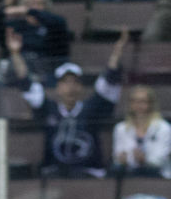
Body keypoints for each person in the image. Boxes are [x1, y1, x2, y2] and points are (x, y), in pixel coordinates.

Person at [9, 33, 126, 178]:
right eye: (65, 82)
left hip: (89, 174)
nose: (70, 87)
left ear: (81, 87)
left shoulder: (92, 109)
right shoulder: (48, 109)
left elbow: (110, 80)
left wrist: (116, 55)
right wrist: (15, 53)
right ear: (58, 87)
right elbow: (26, 83)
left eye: (75, 82)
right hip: (54, 175)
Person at [0, 0, 72, 80]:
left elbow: (60, 24)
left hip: (47, 75)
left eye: (39, 3)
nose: (34, 7)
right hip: (16, 74)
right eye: (30, 4)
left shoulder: (52, 26)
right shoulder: (15, 27)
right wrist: (6, 3)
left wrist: (29, 11)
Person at [113, 85, 171, 178]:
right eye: (134, 101)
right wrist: (122, 160)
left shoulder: (164, 128)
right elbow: (117, 155)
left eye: (143, 102)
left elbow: (161, 159)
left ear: (151, 104)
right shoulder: (120, 129)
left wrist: (144, 160)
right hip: (130, 175)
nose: (138, 105)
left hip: (158, 176)